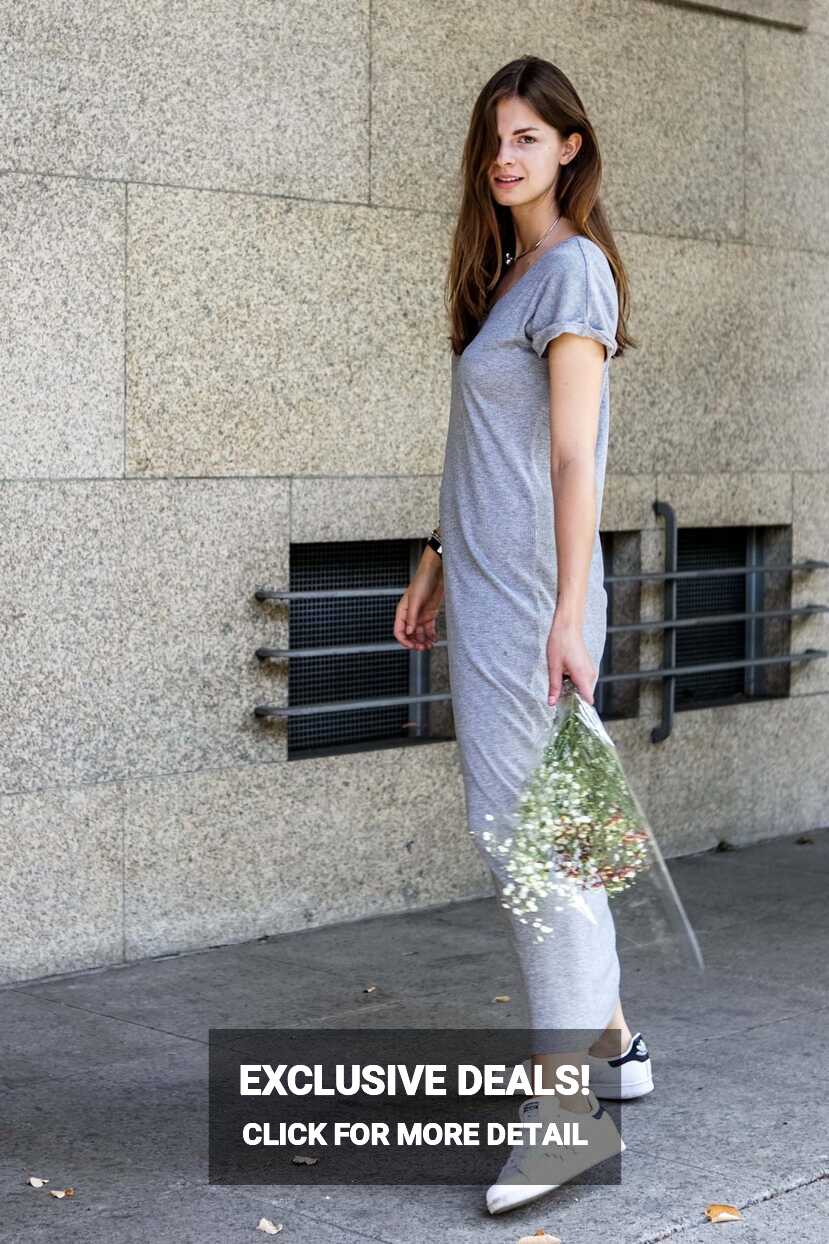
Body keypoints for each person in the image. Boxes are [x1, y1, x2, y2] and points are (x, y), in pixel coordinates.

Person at [394, 56, 652, 1214]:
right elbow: (489, 452)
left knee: (530, 845)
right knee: (552, 833)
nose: (505, 155)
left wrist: (562, 610)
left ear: (570, 151)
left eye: (528, 137)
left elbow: (568, 457)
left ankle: (567, 1118)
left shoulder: (575, 275)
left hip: (533, 605)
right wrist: (440, 554)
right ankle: (618, 1046)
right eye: (494, 137)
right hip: (490, 587)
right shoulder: (511, 273)